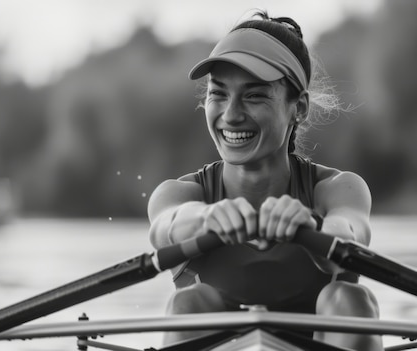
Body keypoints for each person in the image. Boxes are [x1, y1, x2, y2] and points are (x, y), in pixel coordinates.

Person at [147, 10, 382, 351]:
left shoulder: (338, 190)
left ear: (298, 107)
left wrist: (311, 227)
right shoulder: (179, 195)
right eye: (219, 94)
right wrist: (205, 218)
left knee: (351, 298)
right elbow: (163, 230)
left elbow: (350, 235)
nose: (230, 114)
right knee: (189, 303)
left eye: (254, 95)